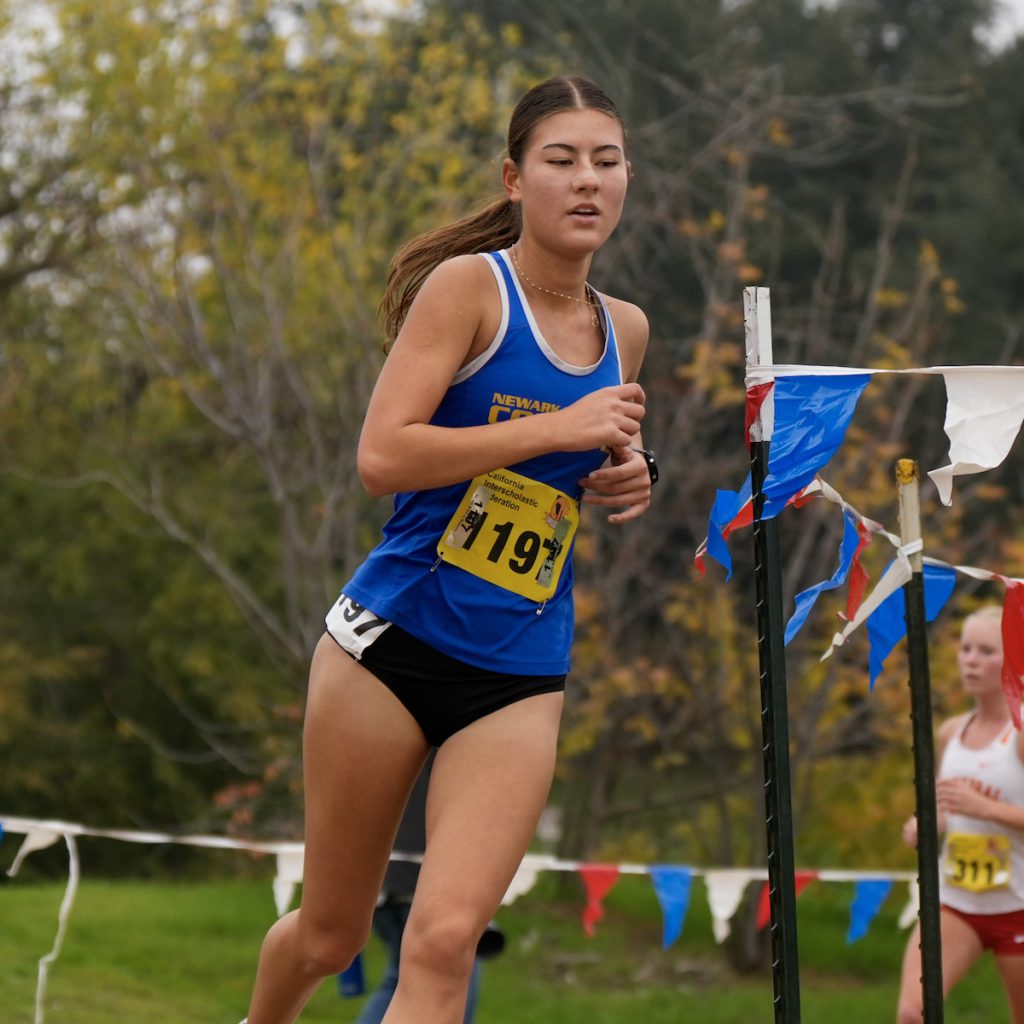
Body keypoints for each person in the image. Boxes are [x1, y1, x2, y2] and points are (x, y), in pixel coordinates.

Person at [241, 74, 653, 1024]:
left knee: (443, 942)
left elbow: (592, 454)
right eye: (562, 160)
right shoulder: (469, 288)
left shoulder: (624, 328)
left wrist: (634, 473)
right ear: (514, 178)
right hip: (390, 648)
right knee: (331, 936)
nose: (587, 180)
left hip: (518, 669)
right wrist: (557, 428)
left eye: (607, 161)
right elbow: (382, 457)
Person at [897, 605, 1024, 1023]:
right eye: (966, 649)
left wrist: (985, 808)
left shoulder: (1019, 734)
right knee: (913, 1014)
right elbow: (946, 809)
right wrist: (925, 825)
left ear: (1013, 659)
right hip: (955, 903)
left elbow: (974, 805)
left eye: (986, 651)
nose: (971, 660)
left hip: (1017, 906)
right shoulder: (951, 732)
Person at [350, 751, 488, 1024]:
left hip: (388, 888)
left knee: (403, 984)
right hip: (421, 889)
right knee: (447, 988)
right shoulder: (449, 747)